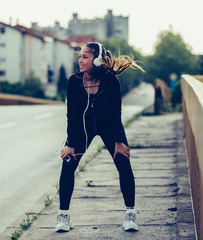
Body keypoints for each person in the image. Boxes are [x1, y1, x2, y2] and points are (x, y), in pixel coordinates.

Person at [56, 42, 144, 232]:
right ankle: (63, 216)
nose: (80, 60)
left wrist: (119, 141)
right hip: (82, 129)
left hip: (109, 127)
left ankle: (130, 215)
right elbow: (71, 114)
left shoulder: (111, 81)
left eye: (85, 56)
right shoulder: (74, 81)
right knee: (68, 163)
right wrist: (70, 143)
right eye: (80, 56)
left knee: (123, 161)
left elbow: (116, 112)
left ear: (97, 60)